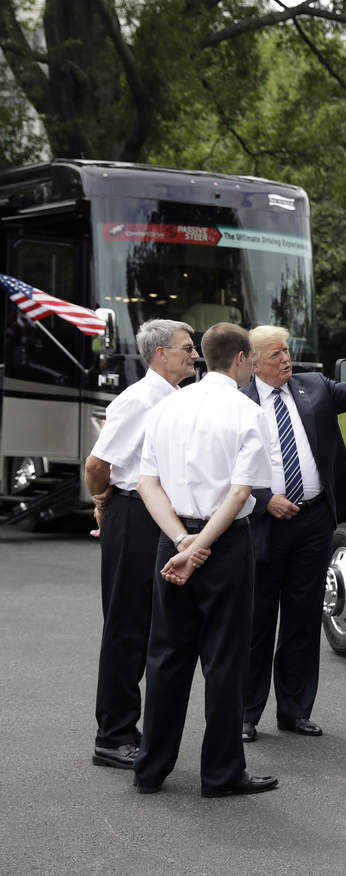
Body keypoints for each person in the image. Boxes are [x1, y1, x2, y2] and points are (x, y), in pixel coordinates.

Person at [132, 322, 277, 797]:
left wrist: (180, 541)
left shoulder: (167, 406)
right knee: (224, 661)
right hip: (225, 544)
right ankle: (220, 774)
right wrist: (200, 547)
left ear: (204, 358)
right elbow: (239, 494)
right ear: (239, 359)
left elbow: (147, 484)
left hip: (171, 540)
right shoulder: (246, 411)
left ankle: (150, 769)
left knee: (167, 656)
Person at [240, 326, 346, 742]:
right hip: (263, 523)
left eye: (286, 352)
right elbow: (224, 463)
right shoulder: (239, 401)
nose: (286, 360)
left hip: (313, 520)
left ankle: (295, 710)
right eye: (276, 355)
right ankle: (245, 713)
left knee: (303, 619)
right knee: (257, 621)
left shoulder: (312, 386)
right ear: (254, 362)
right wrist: (263, 498)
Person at [84, 318, 198, 770]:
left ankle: (132, 729)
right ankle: (112, 736)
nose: (193, 355)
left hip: (158, 515)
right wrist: (101, 502)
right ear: (160, 354)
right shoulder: (138, 399)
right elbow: (98, 463)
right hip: (132, 514)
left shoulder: (175, 398)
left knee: (155, 626)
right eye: (186, 348)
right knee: (127, 626)